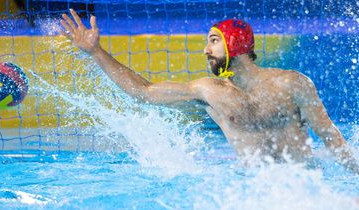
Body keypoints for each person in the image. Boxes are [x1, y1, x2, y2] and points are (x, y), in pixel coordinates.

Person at [60, 9, 358, 172]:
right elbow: (144, 91)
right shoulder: (209, 90)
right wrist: (96, 52)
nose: (205, 50)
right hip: (258, 190)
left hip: (304, 183)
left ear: (236, 44)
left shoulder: (292, 83)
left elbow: (332, 138)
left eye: (213, 40)